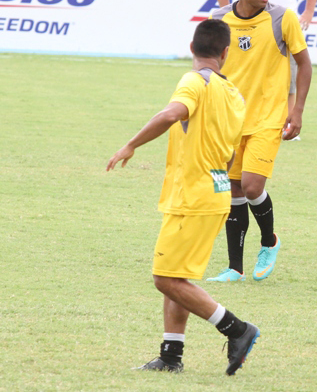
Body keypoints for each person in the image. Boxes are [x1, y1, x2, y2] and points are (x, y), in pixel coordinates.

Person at [106, 19, 260, 375]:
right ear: (225, 53)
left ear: (192, 48)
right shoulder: (234, 94)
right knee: (175, 276)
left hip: (194, 195)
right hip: (216, 192)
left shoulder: (194, 81)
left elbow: (174, 113)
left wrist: (131, 144)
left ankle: (237, 328)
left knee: (165, 278)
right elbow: (231, 152)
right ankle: (171, 355)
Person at [207, 0, 312, 282]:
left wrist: (297, 111)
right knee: (232, 189)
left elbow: (304, 65)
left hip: (269, 117)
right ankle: (234, 267)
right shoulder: (219, 19)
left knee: (252, 186)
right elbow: (208, 69)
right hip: (228, 120)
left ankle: (269, 241)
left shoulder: (283, 18)